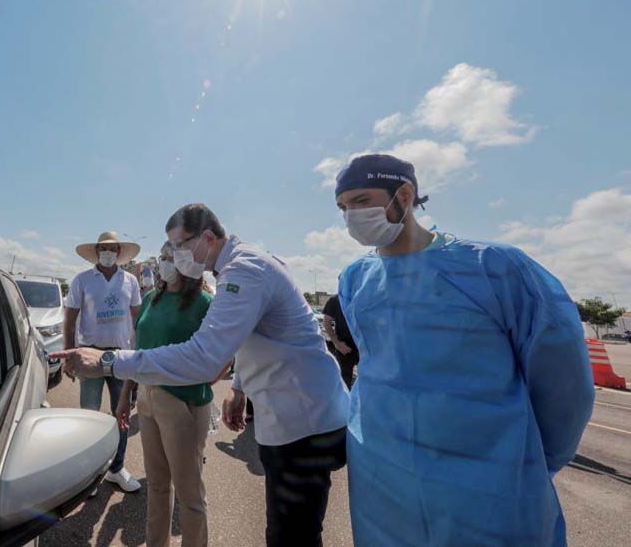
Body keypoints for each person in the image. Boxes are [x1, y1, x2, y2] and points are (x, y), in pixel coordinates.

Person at [333, 154, 595, 546]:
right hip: (384, 483)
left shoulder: (494, 268)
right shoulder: (356, 279)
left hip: (489, 490)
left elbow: (564, 384)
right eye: (343, 207)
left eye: (361, 200)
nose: (351, 215)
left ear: (404, 195)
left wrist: (533, 463)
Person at [54, 204, 349, 546]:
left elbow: (205, 357)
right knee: (283, 531)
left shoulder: (244, 270)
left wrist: (108, 362)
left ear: (207, 237)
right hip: (287, 415)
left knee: (292, 535)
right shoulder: (234, 270)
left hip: (302, 422)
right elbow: (250, 337)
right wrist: (239, 387)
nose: (174, 256)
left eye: (179, 246)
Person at [115, 242, 213, 547]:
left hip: (183, 403)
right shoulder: (149, 299)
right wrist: (125, 396)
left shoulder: (204, 303)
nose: (164, 263)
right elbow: (138, 352)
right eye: (163, 257)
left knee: (190, 493)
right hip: (147, 398)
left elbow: (219, 358)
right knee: (157, 485)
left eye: (171, 257)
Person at [64, 231, 144, 493]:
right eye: (103, 248)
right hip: (90, 356)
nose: (108, 252)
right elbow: (70, 321)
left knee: (120, 416)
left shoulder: (130, 281)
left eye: (113, 248)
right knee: (88, 414)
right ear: (97, 251)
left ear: (120, 253)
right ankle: (90, 471)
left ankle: (116, 468)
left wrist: (137, 355)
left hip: (121, 357)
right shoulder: (83, 280)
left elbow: (136, 321)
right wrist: (69, 355)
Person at [321, 294, 358, 389]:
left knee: (367, 381)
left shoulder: (364, 296)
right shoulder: (335, 300)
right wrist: (336, 343)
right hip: (343, 347)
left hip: (364, 348)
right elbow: (326, 322)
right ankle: (345, 403)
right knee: (344, 382)